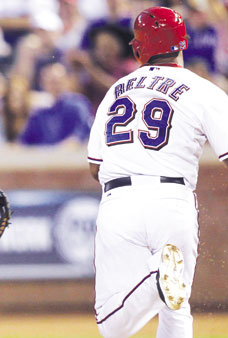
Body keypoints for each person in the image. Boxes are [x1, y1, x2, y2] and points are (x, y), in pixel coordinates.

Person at [87, 7, 228, 338]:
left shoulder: (116, 90)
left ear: (138, 48)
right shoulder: (202, 89)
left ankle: (156, 281)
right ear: (183, 43)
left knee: (113, 326)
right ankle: (159, 281)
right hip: (173, 200)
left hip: (119, 201)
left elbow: (95, 167)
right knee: (176, 306)